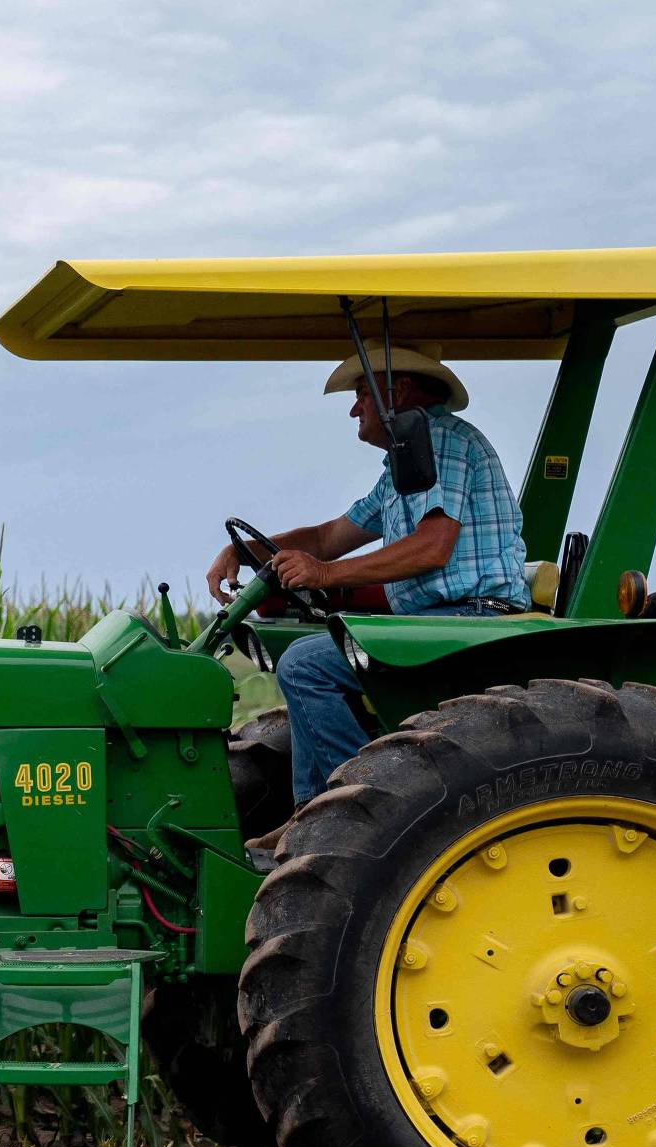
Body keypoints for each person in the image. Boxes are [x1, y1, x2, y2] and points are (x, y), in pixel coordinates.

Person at [206, 341, 527, 850]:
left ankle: (362, 806)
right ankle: (312, 813)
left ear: (396, 392)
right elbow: (331, 535)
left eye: (360, 394)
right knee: (302, 657)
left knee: (308, 664)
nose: (355, 408)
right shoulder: (402, 467)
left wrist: (325, 575)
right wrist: (245, 552)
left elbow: (433, 546)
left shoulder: (439, 441)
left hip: (472, 617)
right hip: (438, 618)